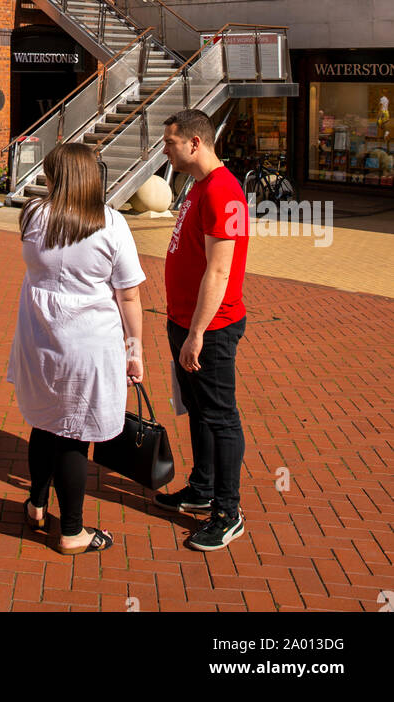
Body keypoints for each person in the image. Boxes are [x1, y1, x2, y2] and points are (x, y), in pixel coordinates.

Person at [7, 142, 145, 555]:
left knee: (45, 424)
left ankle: (36, 504)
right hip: (88, 343)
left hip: (38, 337)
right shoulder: (111, 224)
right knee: (74, 436)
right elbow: (130, 296)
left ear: (56, 177)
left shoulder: (32, 215)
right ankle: (71, 531)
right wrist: (134, 348)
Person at [157, 109, 249, 552]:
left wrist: (196, 333)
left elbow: (220, 270)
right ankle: (202, 487)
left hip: (210, 327)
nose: (165, 150)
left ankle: (227, 513)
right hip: (184, 321)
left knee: (220, 416)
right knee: (197, 411)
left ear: (195, 142)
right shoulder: (196, 186)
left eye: (170, 143)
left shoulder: (224, 191)